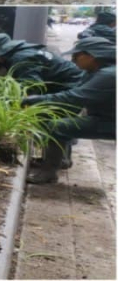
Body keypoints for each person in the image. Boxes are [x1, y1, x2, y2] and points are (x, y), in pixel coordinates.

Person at [21, 37, 115, 184]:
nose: (73, 60)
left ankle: (48, 173)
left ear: (90, 56)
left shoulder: (108, 75)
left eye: (76, 56)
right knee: (61, 121)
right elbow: (74, 94)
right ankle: (62, 160)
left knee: (57, 127)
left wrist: (35, 100)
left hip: (109, 122)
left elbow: (74, 97)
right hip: (104, 117)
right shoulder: (95, 71)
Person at [0, 33, 84, 93]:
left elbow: (33, 87)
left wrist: (4, 95)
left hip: (70, 87)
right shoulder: (21, 51)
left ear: (1, 51)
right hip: (67, 81)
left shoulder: (21, 59)